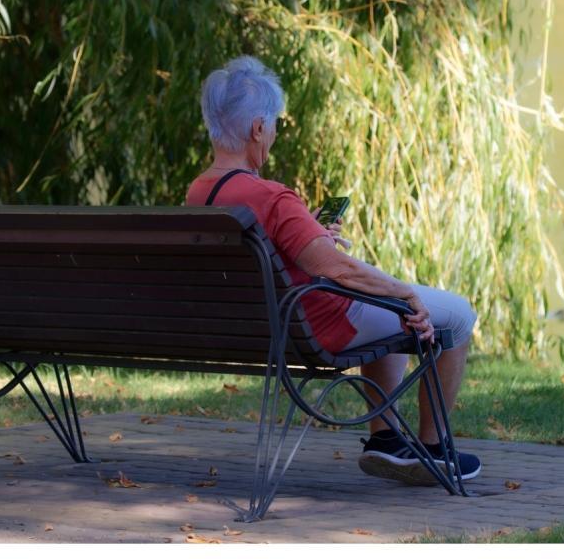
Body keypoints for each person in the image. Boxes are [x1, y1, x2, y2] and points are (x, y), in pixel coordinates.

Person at [185, 55, 480, 485]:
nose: (274, 133)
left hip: (259, 328)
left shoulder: (199, 192)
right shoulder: (272, 196)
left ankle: (386, 441)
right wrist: (404, 293)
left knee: (386, 298)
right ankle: (434, 450)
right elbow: (337, 268)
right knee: (457, 314)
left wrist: (312, 232)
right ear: (256, 129)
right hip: (316, 325)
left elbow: (277, 255)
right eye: (274, 124)